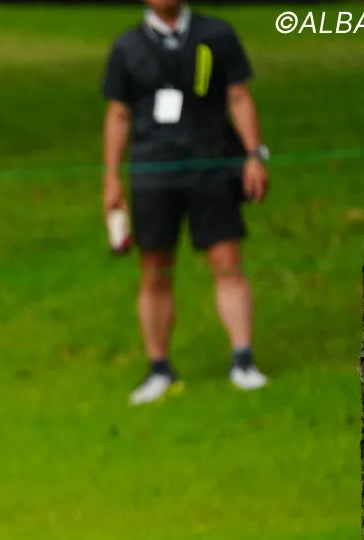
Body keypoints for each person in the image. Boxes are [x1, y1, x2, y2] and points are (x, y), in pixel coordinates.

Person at [102, 0, 270, 405]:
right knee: (155, 269)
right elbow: (118, 114)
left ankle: (243, 360)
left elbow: (238, 95)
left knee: (227, 259)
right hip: (153, 171)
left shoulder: (216, 35)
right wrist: (111, 178)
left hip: (210, 164)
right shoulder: (126, 47)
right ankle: (159, 368)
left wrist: (253, 154)